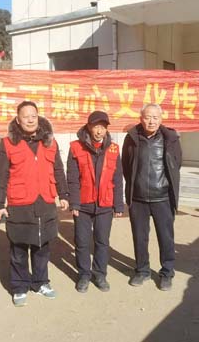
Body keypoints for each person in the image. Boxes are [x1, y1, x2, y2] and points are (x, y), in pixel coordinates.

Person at [0, 101, 69, 307]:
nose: (30, 120)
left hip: (45, 200)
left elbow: (58, 169)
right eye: (25, 116)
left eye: (33, 116)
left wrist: (63, 194)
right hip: (20, 202)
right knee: (18, 247)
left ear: (38, 117)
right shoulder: (7, 143)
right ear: (18, 120)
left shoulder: (50, 142)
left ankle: (41, 282)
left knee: (42, 245)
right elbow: (0, 176)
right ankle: (19, 287)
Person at [122, 103, 182, 291]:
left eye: (155, 117)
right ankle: (142, 271)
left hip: (162, 197)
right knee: (140, 238)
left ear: (161, 119)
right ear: (141, 118)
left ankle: (167, 273)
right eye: (148, 117)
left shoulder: (170, 138)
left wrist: (165, 187)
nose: (151, 121)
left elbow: (176, 164)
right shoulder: (132, 138)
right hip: (138, 198)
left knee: (166, 238)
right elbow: (126, 165)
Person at [67, 110, 124, 293]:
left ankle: (100, 274)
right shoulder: (76, 147)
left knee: (102, 241)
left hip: (105, 204)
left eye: (103, 127)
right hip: (83, 205)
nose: (99, 131)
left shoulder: (113, 149)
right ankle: (84, 275)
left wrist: (118, 204)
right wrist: (74, 203)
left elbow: (117, 178)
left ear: (106, 129)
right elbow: (72, 178)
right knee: (82, 241)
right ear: (88, 127)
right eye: (95, 127)